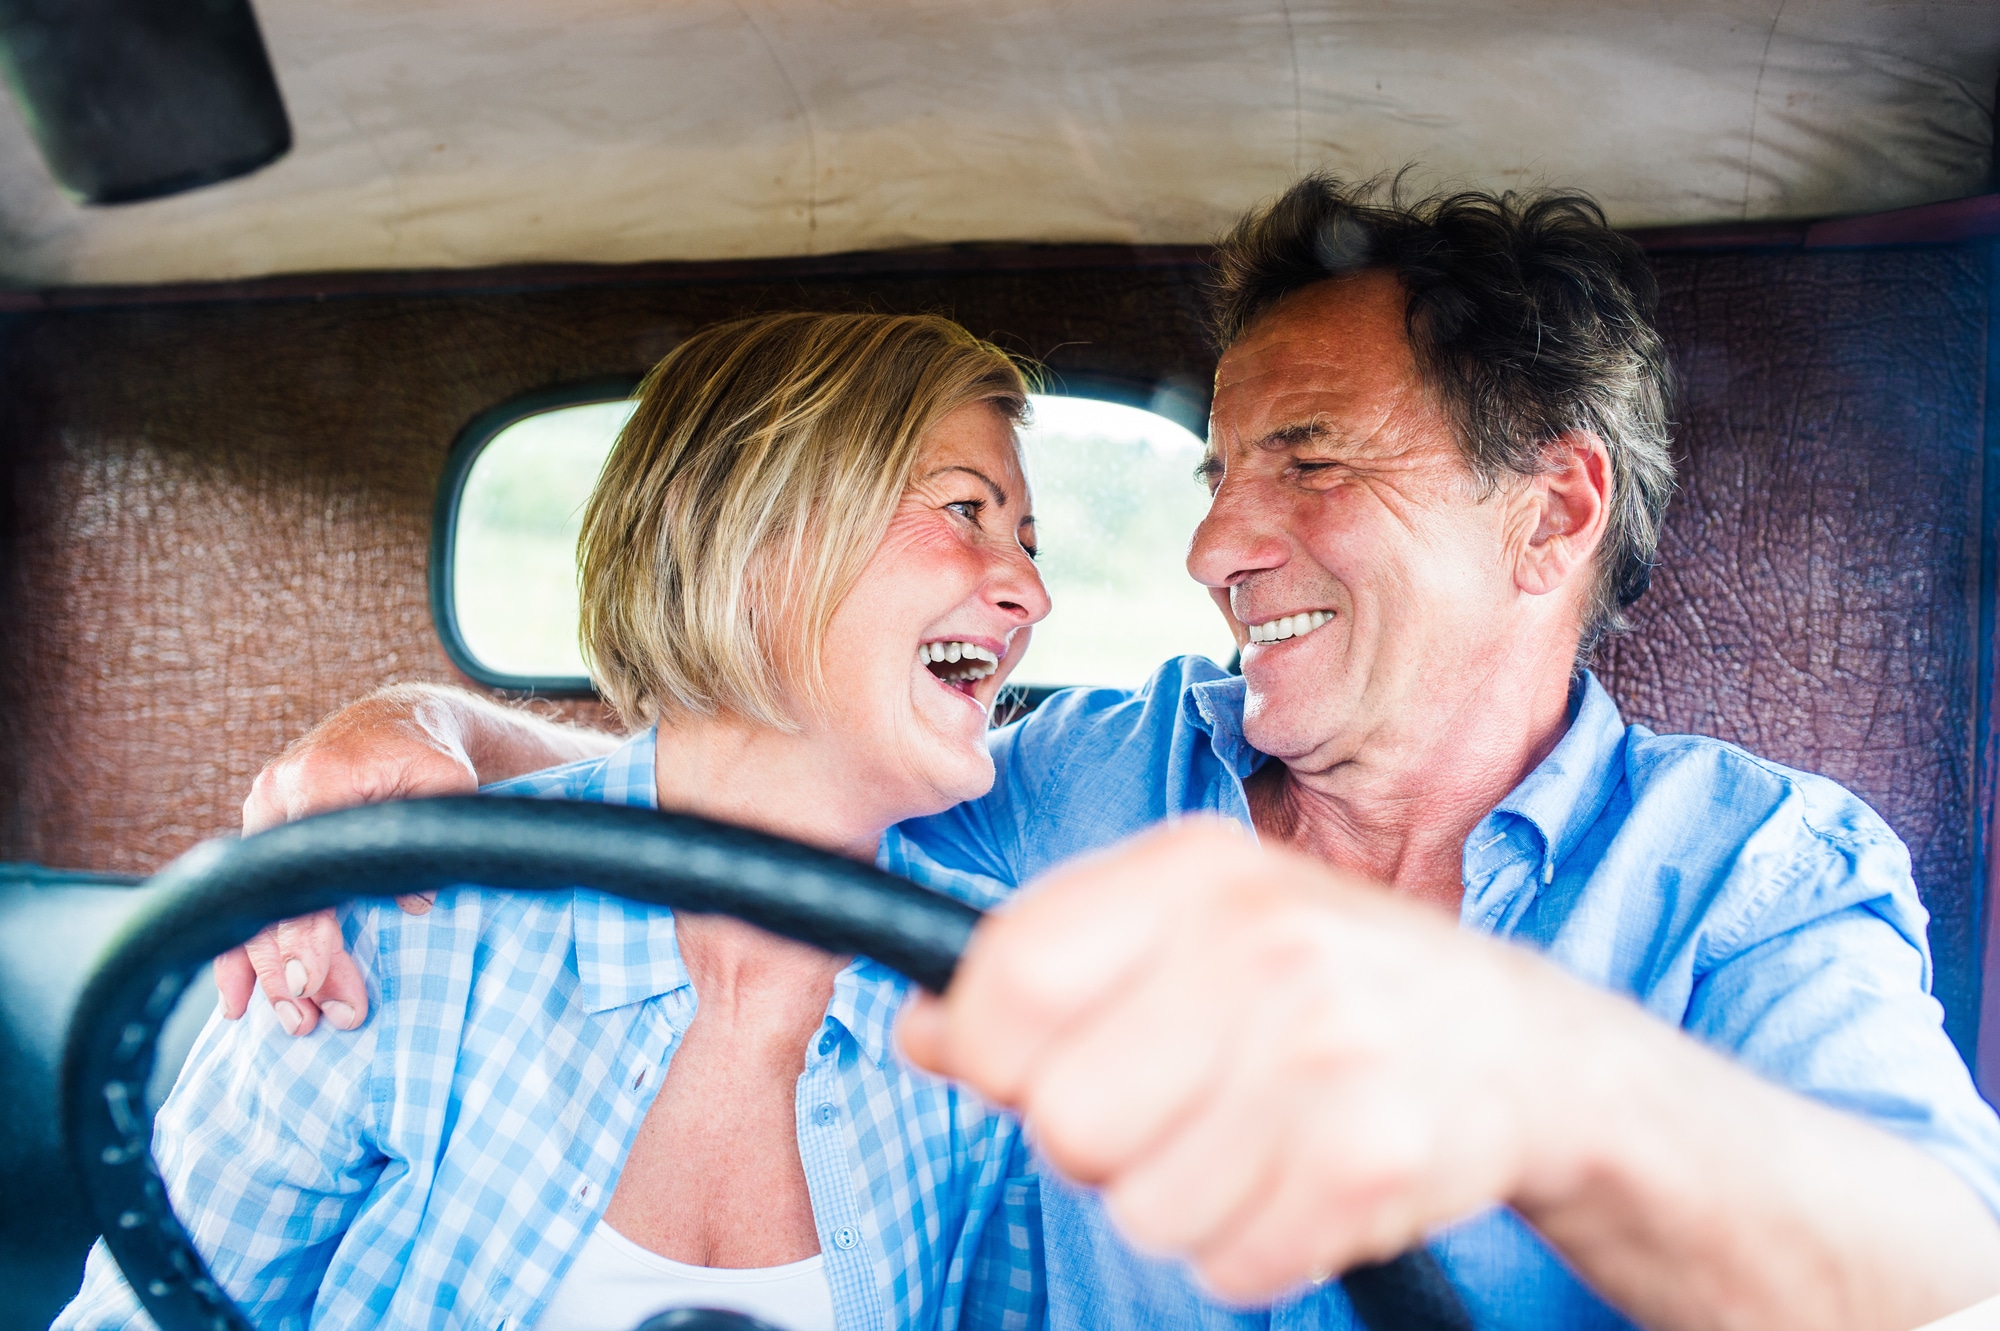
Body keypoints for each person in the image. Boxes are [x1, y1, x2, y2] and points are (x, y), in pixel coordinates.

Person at [227, 178, 2000, 1330]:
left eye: (1308, 457)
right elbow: (767, 756)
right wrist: (432, 735)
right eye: (1221, 472)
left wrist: (1529, 1070)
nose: (1212, 545)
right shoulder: (1084, 780)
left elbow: (1943, 1266)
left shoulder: (1753, 870)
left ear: (1550, 512)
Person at [59, 310, 1054, 1331]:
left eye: (1027, 541)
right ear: (749, 536)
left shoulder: (994, 997)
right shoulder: (411, 912)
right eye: (964, 510)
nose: (1033, 591)